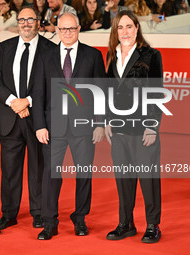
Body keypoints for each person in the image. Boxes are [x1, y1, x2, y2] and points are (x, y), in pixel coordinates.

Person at [33, 12, 106, 240]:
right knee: (51, 174)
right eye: (63, 29)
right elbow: (38, 92)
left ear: (79, 28)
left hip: (83, 126)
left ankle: (80, 218)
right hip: (53, 127)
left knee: (83, 173)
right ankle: (49, 221)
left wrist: (100, 123)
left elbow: (101, 92)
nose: (67, 33)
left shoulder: (93, 56)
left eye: (71, 29)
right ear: (56, 29)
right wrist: (39, 125)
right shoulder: (45, 56)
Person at [0, 6, 55, 231]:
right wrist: (14, 102)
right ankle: (9, 213)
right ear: (17, 22)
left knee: (38, 166)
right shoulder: (5, 47)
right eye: (22, 20)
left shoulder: (50, 49)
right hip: (10, 117)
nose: (26, 23)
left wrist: (27, 101)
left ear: (38, 22)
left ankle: (38, 212)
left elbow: (52, 85)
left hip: (37, 118)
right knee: (9, 168)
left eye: (30, 19)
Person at [104, 10, 163, 244]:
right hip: (119, 130)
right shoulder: (111, 56)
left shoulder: (151, 55)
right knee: (123, 179)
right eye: (120, 27)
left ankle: (152, 225)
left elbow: (157, 92)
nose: (124, 31)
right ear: (115, 31)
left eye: (129, 26)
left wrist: (152, 126)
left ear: (137, 28)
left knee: (148, 180)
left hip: (143, 130)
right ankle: (126, 223)